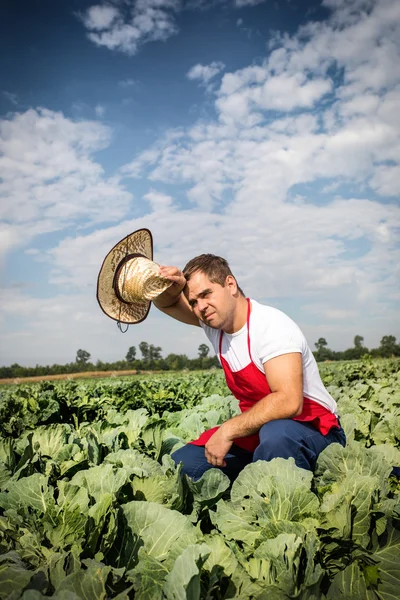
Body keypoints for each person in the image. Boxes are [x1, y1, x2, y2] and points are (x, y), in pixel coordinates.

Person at [153, 254, 346, 482]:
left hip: (313, 430)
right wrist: (167, 284)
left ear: (230, 285)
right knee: (184, 466)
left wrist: (227, 430)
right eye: (194, 302)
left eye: (206, 294)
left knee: (276, 437)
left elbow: (289, 401)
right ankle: (255, 480)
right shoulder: (215, 325)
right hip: (259, 430)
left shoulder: (271, 326)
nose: (201, 307)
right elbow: (167, 303)